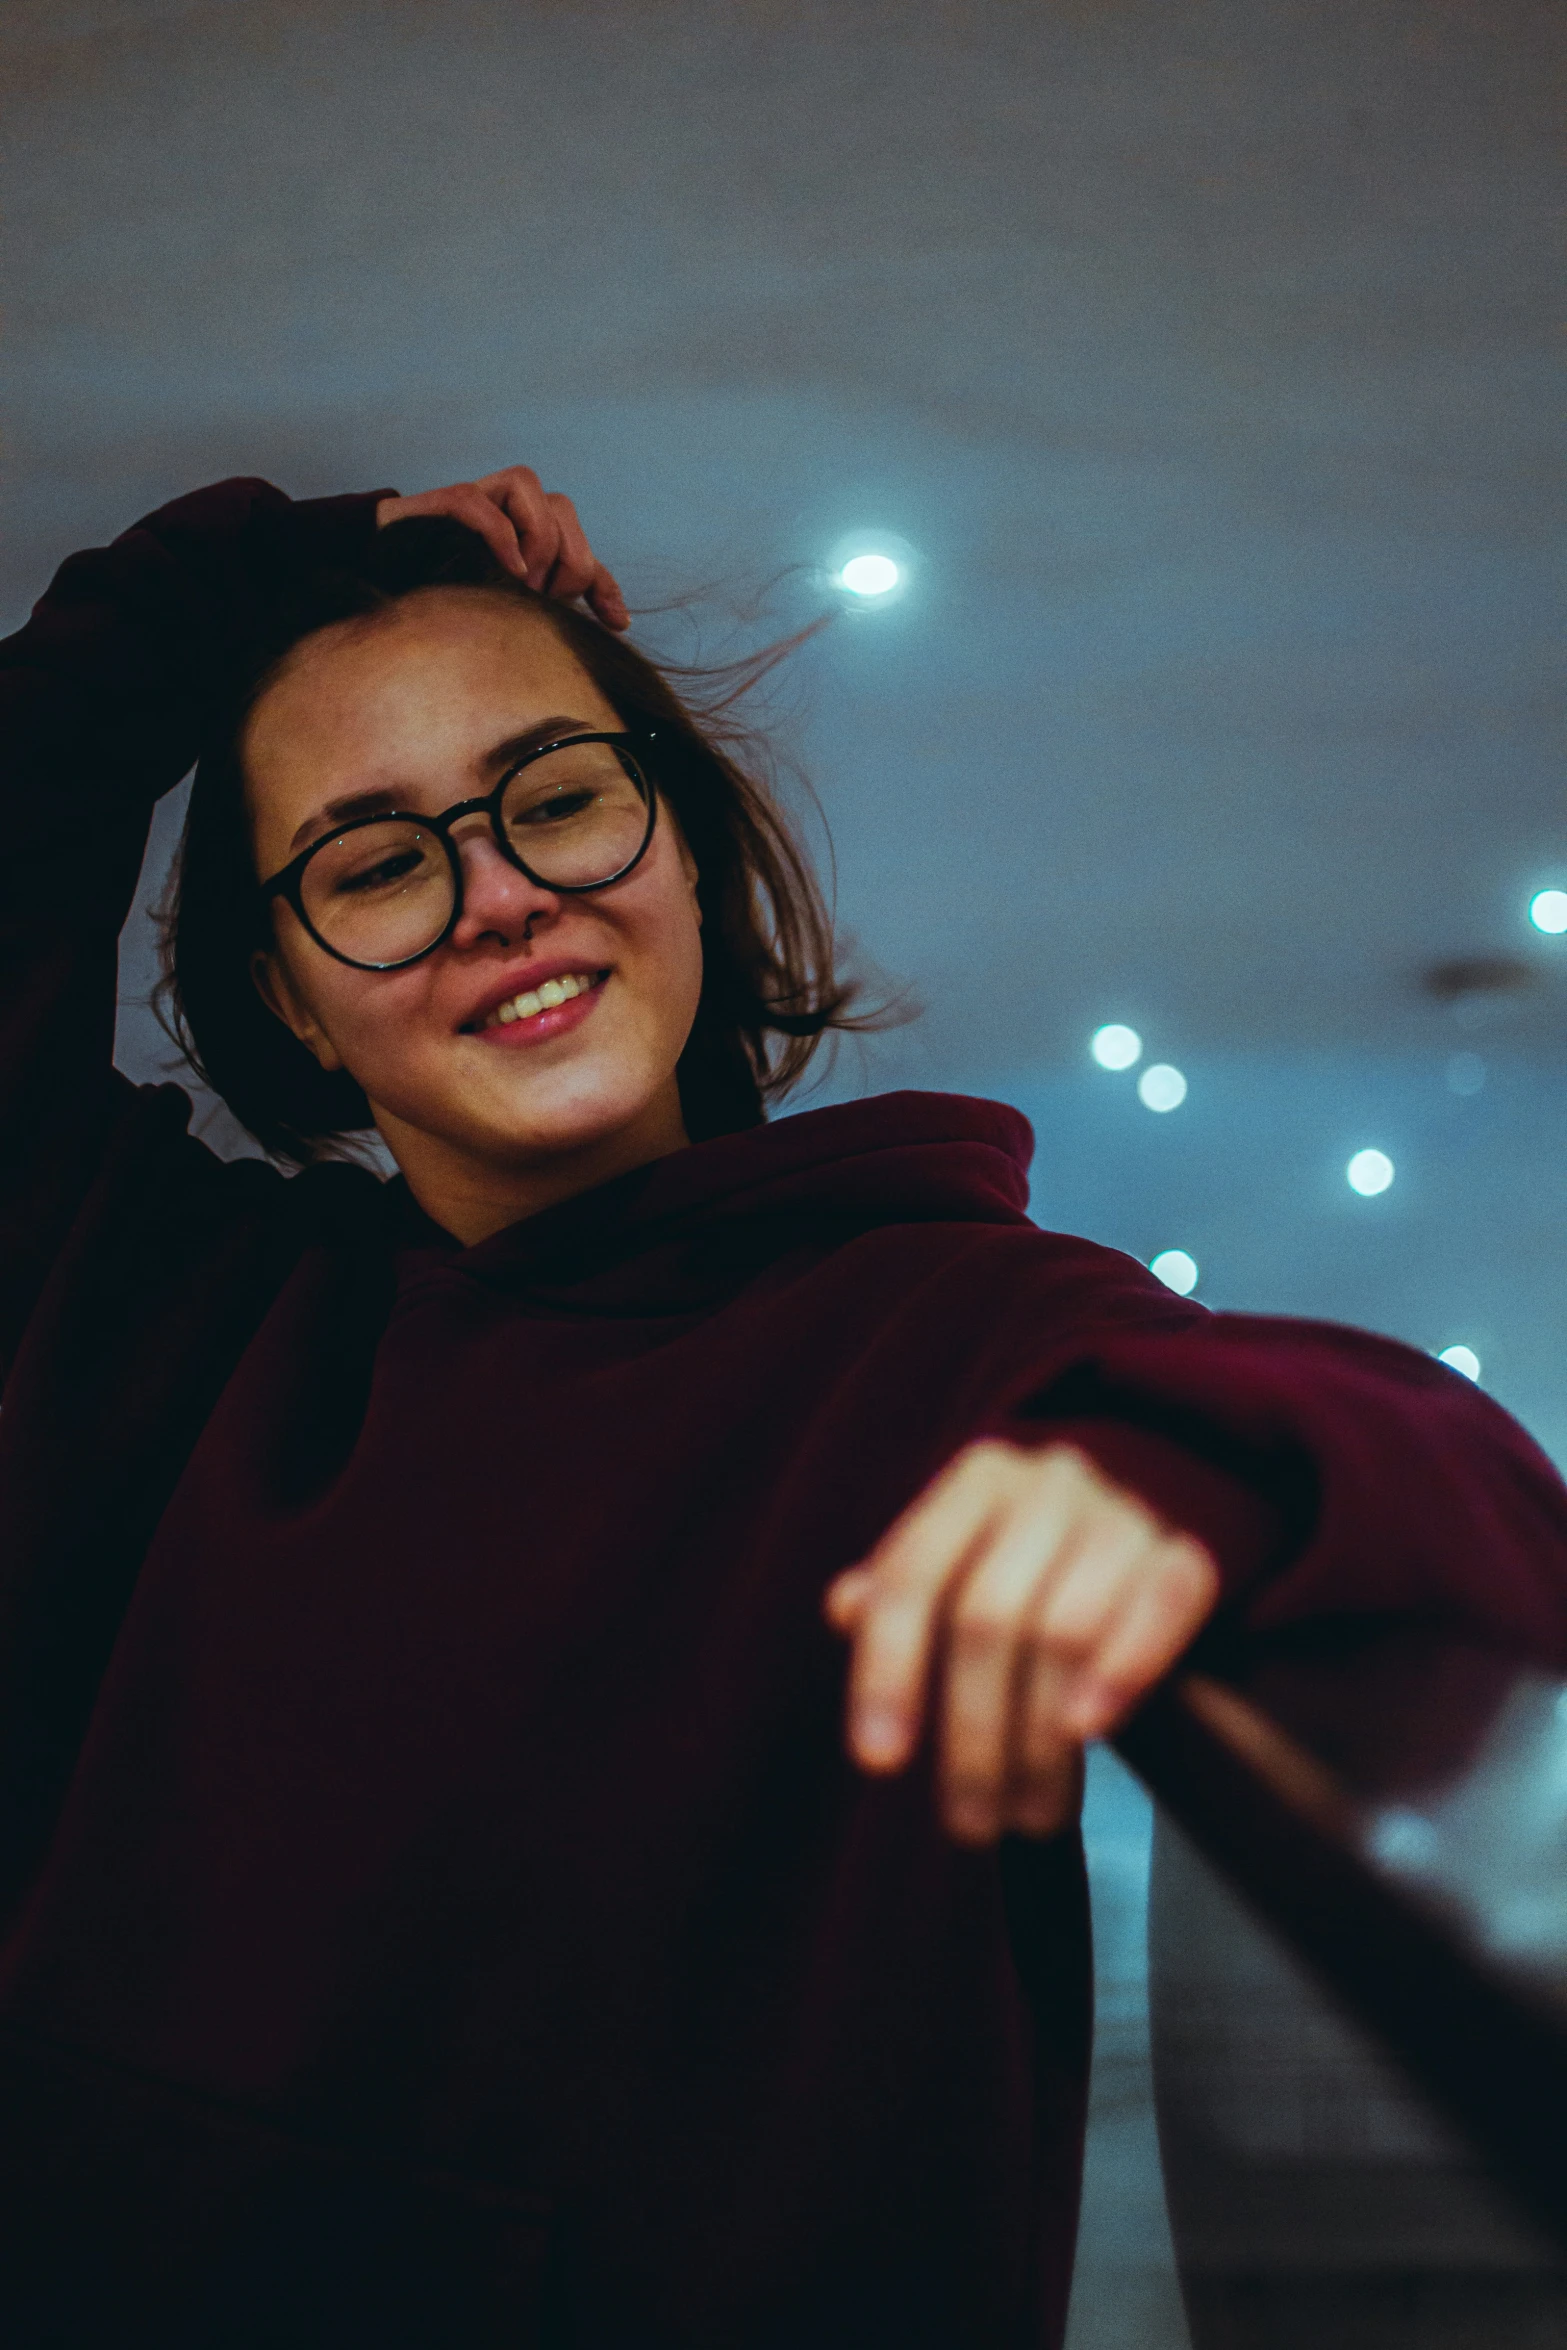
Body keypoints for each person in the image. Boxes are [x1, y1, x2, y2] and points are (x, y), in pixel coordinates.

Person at [0, 463, 1564, 2350]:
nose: (500, 895)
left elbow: (1445, 1472)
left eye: (560, 798)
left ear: (682, 856)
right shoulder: (161, 1312)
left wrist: (1192, 1477)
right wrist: (281, 563)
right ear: (293, 995)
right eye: (378, 858)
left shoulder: (940, 1328)